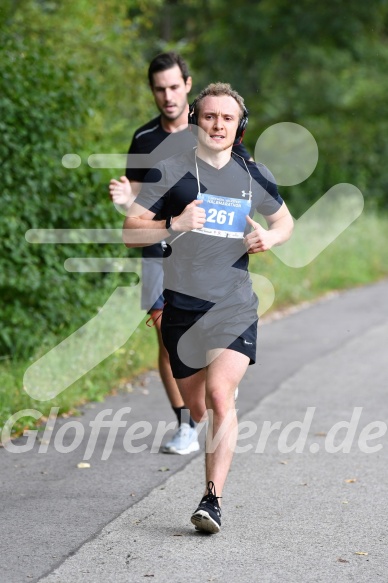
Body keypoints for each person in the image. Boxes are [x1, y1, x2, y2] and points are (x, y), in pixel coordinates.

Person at [123, 82, 294, 533]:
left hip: (233, 304)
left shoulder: (252, 174)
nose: (218, 124)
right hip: (182, 307)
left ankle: (211, 500)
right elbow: (130, 230)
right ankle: (208, 412)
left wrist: (270, 238)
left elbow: (285, 220)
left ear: (239, 127)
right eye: (211, 116)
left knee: (221, 396)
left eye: (228, 118)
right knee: (199, 407)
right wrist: (171, 223)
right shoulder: (170, 170)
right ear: (198, 118)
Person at [109, 53, 251, 455]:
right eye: (159, 89)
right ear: (152, 92)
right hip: (159, 249)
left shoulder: (209, 126)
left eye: (174, 87)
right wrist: (125, 198)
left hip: (208, 255)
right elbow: (139, 203)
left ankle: (216, 391)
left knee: (207, 331)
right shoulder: (143, 139)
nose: (167, 96)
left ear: (187, 86)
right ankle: (187, 423)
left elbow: (239, 176)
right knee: (166, 338)